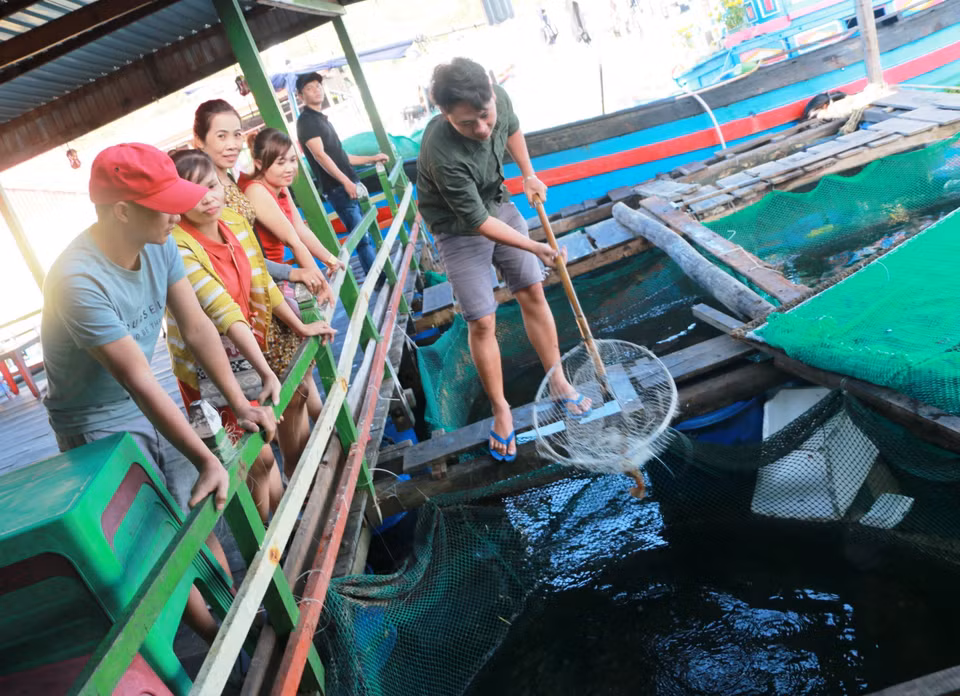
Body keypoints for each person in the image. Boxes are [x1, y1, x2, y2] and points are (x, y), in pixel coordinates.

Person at [41, 142, 278, 642]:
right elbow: (136, 378)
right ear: (123, 211)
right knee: (155, 537)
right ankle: (214, 638)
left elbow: (196, 326)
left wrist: (240, 403)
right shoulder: (75, 280)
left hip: (149, 395)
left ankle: (235, 623)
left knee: (196, 508)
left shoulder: (160, 241)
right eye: (164, 203)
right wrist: (206, 456)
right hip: (96, 421)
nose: (177, 213)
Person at [416, 58, 590, 462]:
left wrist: (528, 173)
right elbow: (478, 222)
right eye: (466, 124)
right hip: (459, 228)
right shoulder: (440, 153)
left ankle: (560, 382)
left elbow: (510, 127)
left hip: (497, 199)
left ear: (492, 93)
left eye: (484, 116)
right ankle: (501, 409)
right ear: (444, 114)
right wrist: (537, 247)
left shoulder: (497, 99)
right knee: (482, 319)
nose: (481, 129)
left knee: (532, 290)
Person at [166, 149, 336, 517]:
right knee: (256, 461)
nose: (208, 198)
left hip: (246, 345)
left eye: (212, 186)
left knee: (267, 448)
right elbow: (221, 311)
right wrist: (265, 371)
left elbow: (261, 280)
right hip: (209, 363)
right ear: (175, 200)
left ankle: (286, 521)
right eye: (193, 193)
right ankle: (270, 544)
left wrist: (299, 324)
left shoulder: (233, 221)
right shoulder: (176, 245)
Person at [240, 127, 340, 430]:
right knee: (300, 369)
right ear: (259, 163)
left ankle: (327, 425)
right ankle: (326, 427)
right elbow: (294, 241)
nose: (290, 168)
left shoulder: (279, 188)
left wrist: (329, 259)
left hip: (280, 274)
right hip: (267, 280)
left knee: (305, 371)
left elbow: (301, 228)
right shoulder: (256, 190)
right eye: (280, 162)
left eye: (293, 161)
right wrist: (319, 283)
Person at [192, 99, 330, 299]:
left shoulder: (230, 180)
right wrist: (293, 274)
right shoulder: (207, 192)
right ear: (199, 140)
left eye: (237, 135)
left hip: (266, 285)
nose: (232, 145)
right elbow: (234, 256)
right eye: (221, 136)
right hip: (245, 295)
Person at [295, 71, 389, 276]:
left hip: (348, 184)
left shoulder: (321, 119)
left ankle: (382, 275)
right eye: (309, 88)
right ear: (300, 96)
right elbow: (319, 155)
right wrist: (346, 181)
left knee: (367, 234)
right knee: (362, 239)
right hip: (338, 188)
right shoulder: (307, 121)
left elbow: (341, 156)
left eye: (318, 86)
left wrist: (372, 158)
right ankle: (380, 280)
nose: (316, 90)